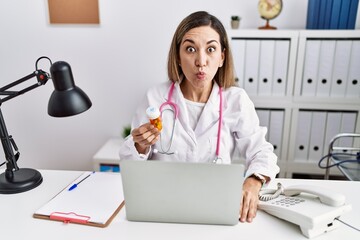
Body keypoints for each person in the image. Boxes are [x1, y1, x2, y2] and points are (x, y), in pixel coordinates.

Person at [119, 11, 280, 223]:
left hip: (215, 208)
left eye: (210, 49)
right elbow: (131, 166)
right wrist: (140, 146)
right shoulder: (155, 97)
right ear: (177, 56)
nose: (200, 61)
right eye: (190, 49)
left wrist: (254, 180)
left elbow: (262, 151)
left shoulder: (236, 101)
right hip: (162, 207)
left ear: (222, 57)